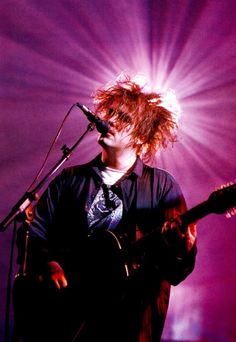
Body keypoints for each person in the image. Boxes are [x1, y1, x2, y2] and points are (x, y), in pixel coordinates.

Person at [13, 75, 197, 342]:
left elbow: (175, 272)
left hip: (128, 324)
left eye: (123, 118)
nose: (110, 120)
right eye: (110, 113)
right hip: (66, 321)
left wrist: (183, 250)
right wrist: (50, 263)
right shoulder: (70, 180)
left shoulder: (162, 187)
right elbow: (35, 233)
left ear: (141, 135)